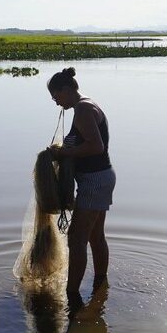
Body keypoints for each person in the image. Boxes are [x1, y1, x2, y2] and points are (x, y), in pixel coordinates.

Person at [47, 67, 115, 312]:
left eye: (57, 97)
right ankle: (100, 285)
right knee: (96, 237)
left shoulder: (84, 110)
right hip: (100, 178)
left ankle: (72, 297)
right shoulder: (85, 106)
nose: (57, 103)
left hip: (94, 181)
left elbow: (95, 147)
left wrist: (62, 152)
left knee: (77, 240)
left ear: (67, 90)